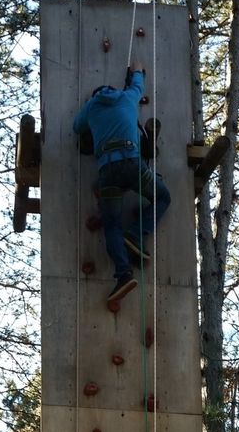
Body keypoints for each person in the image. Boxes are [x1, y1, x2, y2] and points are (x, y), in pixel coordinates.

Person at [73, 67, 171, 309]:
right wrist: (138, 71)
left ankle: (124, 273)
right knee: (162, 197)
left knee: (112, 224)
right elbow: (138, 84)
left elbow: (77, 127)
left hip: (108, 171)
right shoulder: (128, 96)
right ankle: (136, 234)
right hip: (133, 166)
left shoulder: (92, 106)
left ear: (94, 95)